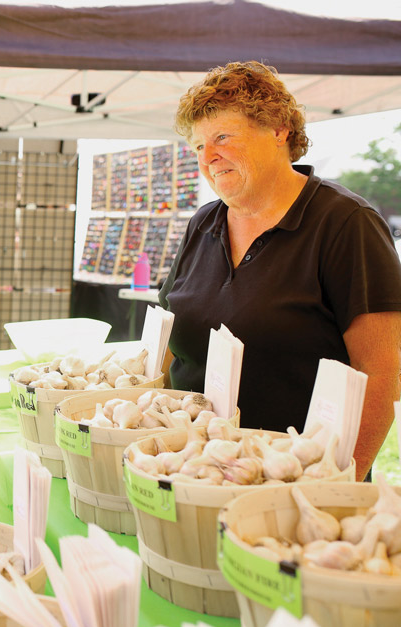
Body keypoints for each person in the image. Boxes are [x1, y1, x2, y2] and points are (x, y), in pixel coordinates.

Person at [159, 61, 401, 480]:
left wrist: (337, 487)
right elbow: (166, 342)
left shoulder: (345, 224)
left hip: (291, 484)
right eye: (198, 146)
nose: (208, 157)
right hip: (195, 471)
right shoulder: (203, 223)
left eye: (222, 137)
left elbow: (380, 373)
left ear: (278, 131)